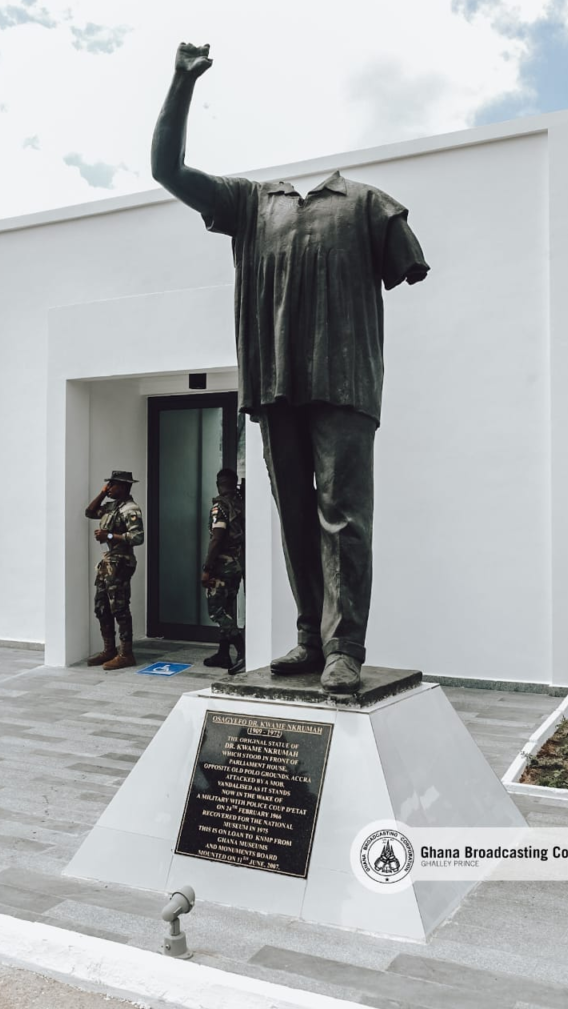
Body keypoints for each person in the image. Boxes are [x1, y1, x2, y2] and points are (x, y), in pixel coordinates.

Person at [151, 43, 430, 694]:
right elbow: (167, 167)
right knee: (295, 518)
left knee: (344, 517)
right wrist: (182, 82)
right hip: (274, 384)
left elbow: (406, 264)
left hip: (346, 384)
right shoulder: (252, 205)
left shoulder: (368, 205)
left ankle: (346, 644)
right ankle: (312, 634)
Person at [85, 471, 144, 669]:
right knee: (101, 606)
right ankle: (109, 650)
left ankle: (126, 654)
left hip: (121, 563)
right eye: (108, 484)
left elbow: (138, 538)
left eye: (112, 485)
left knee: (119, 607)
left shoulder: (131, 509)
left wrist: (109, 536)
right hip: (107, 563)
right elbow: (90, 512)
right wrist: (102, 493)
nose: (109, 487)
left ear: (124, 486)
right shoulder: (111, 507)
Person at [201, 469, 245, 674]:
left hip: (222, 566)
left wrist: (207, 568)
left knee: (217, 611)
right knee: (227, 609)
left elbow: (217, 538)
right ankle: (223, 654)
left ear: (219, 483)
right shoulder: (240, 504)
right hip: (237, 565)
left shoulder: (220, 507)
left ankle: (243, 650)